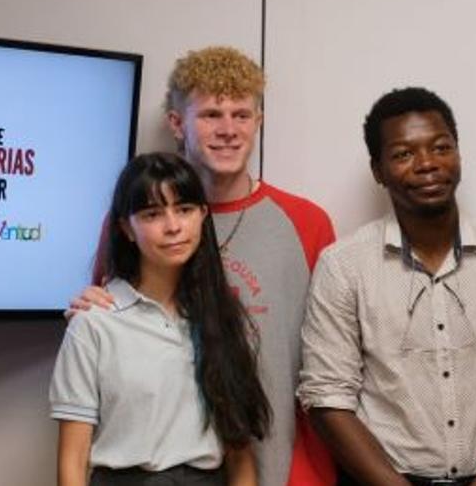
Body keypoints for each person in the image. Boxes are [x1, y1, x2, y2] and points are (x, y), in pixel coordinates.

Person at [70, 47, 336, 486]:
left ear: (259, 121)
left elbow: (330, 364)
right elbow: (108, 340)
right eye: (211, 114)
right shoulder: (134, 223)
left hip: (287, 468)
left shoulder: (307, 223)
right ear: (177, 123)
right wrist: (89, 305)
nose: (228, 130)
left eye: (242, 114)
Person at [298, 87, 476, 486]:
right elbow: (327, 398)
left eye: (441, 148)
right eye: (404, 154)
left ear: (458, 154)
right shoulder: (343, 267)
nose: (427, 164)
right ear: (378, 170)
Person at [52, 152, 271, 486]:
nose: (173, 227)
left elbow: (240, 456)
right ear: (126, 227)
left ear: (203, 215)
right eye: (153, 213)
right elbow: (73, 460)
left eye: (184, 210)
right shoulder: (93, 324)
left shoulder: (222, 319)